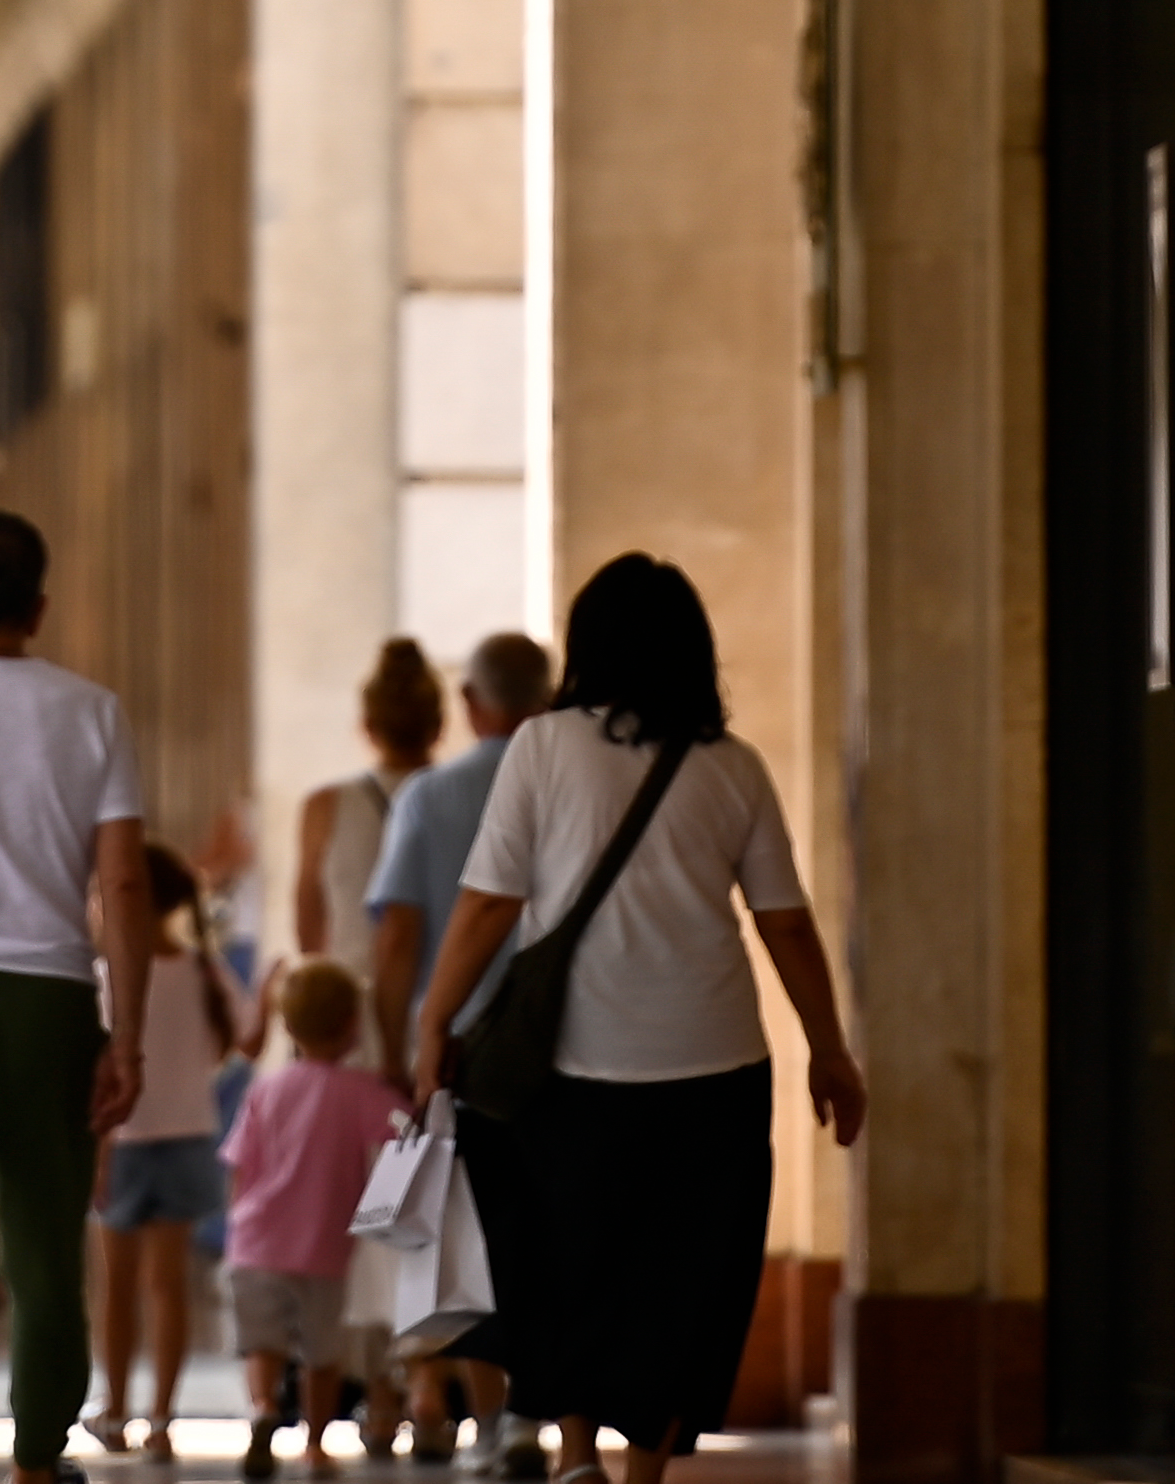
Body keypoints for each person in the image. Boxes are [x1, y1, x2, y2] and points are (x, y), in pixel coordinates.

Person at [405, 557, 856, 1484]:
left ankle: (576, 1455)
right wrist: (829, 1047)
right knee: (684, 1278)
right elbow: (786, 923)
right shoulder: (733, 766)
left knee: (568, 1259)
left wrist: (434, 1020)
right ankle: (642, 1473)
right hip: (715, 1062)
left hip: (572, 1068)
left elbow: (489, 905)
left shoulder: (542, 746)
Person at [0, 507, 157, 1484]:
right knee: (48, 1245)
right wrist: (127, 1038)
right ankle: (38, 1456)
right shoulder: (92, 711)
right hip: (51, 999)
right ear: (41, 605)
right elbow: (126, 885)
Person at [361, 633, 547, 1473]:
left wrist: (396, 1038)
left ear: (473, 703)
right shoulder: (562, 789)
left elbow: (400, 932)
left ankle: (492, 1417)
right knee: (546, 1232)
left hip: (461, 1052)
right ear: (544, 700)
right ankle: (536, 1413)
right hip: (562, 1049)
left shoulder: (431, 795)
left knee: (469, 1238)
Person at [217, 964, 411, 1477]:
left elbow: (242, 1167)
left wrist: (238, 1227)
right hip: (325, 1248)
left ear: (287, 1027)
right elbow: (404, 1129)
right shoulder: (364, 1090)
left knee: (263, 1344)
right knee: (321, 1355)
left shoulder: (266, 1090)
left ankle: (262, 1408)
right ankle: (315, 1445)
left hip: (257, 1243)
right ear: (353, 1025)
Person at [94, 847, 244, 1452]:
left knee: (117, 1286)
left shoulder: (108, 978)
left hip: (120, 1143)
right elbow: (244, 1036)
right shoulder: (205, 970)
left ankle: (115, 1410)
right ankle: (161, 1419)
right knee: (169, 1285)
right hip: (189, 1138)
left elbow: (95, 1068)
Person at [293, 643, 441, 991]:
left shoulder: (325, 805)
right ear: (438, 726)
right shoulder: (467, 797)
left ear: (367, 727)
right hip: (440, 999)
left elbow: (308, 923)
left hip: (352, 998)